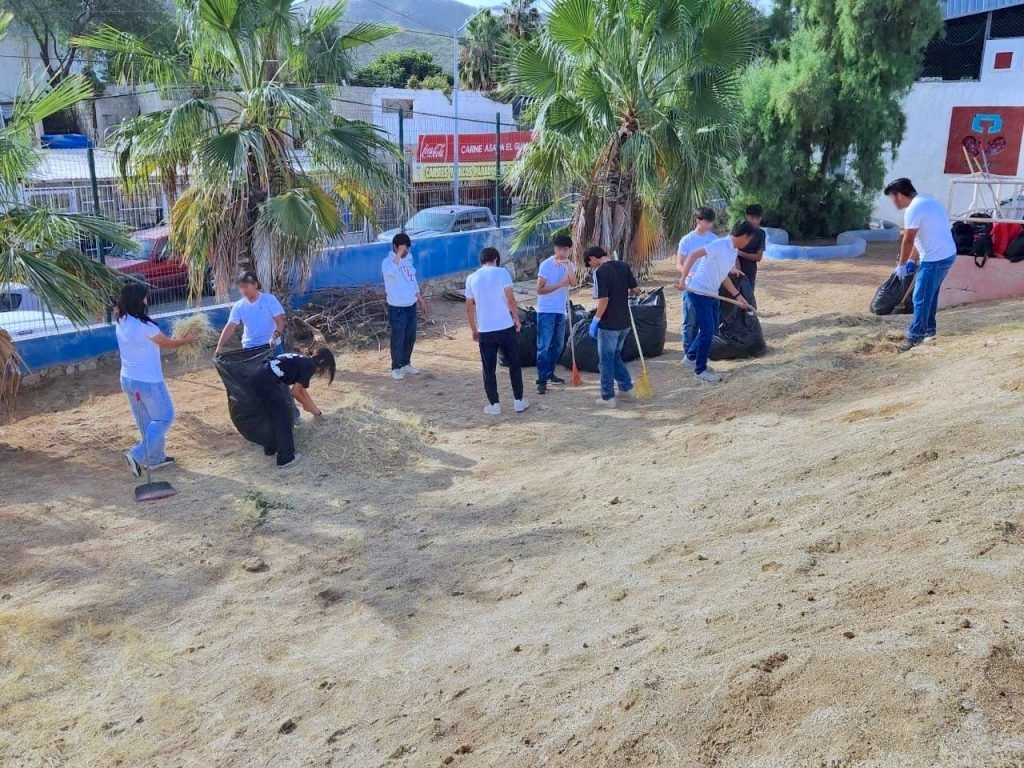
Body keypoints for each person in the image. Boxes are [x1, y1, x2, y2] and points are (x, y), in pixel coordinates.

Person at [114, 282, 197, 477]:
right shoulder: (146, 326)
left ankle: (155, 458)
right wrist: (187, 339)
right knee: (164, 417)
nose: (147, 300)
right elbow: (168, 343)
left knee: (147, 422)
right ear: (139, 301)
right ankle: (137, 455)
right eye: (144, 297)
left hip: (128, 379)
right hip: (149, 382)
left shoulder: (121, 320)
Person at [884, 177, 958, 352]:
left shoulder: (914, 208)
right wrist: (911, 260)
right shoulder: (928, 201)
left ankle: (914, 337)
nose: (893, 202)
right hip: (946, 254)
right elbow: (921, 237)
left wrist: (901, 265)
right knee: (929, 295)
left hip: (935, 259)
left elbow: (908, 240)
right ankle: (929, 331)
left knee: (920, 297)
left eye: (892, 198)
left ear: (900, 195)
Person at [678, 221, 753, 384]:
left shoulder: (733, 250)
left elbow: (723, 276)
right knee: (707, 331)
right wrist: (683, 280)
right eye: (749, 239)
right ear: (744, 236)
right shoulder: (719, 245)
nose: (749, 242)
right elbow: (693, 255)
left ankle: (690, 358)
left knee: (712, 330)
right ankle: (700, 370)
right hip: (699, 292)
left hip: (712, 294)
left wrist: (737, 295)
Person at [465, 247, 529, 416]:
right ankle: (518, 400)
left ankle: (494, 404)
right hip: (505, 326)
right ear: (496, 259)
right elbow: (511, 300)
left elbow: (469, 308)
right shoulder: (502, 273)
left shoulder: (471, 278)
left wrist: (473, 329)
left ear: (481, 261)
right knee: (514, 364)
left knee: (488, 368)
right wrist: (516, 320)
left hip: (485, 329)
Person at [252, 349, 336, 470]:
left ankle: (270, 448)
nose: (321, 372)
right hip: (267, 381)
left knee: (273, 415)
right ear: (322, 363)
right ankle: (286, 458)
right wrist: (306, 405)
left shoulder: (304, 361)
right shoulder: (310, 366)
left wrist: (316, 412)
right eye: (325, 368)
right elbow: (295, 392)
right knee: (284, 418)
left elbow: (302, 391)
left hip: (258, 376)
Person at [585, 246, 640, 408]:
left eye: (589, 263)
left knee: (605, 361)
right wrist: (624, 292)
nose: (591, 267)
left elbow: (604, 300)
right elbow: (636, 290)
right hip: (624, 322)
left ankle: (607, 396)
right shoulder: (623, 266)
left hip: (609, 324)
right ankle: (626, 388)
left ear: (592, 258)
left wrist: (596, 320)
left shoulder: (600, 272)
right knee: (615, 357)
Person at [534, 233, 578, 394]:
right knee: (543, 346)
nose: (562, 253)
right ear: (555, 249)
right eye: (560, 249)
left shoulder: (569, 264)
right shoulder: (546, 265)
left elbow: (574, 282)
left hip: (560, 310)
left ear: (569, 250)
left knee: (558, 345)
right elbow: (539, 289)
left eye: (565, 250)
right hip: (546, 311)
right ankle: (541, 380)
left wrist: (568, 266)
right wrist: (560, 284)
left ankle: (549, 373)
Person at [382, 232, 428, 380]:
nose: (405, 251)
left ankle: (406, 363)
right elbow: (391, 272)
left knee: (410, 336)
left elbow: (412, 282)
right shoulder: (387, 262)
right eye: (402, 248)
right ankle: (396, 367)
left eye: (407, 248)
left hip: (411, 306)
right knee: (398, 338)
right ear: (395, 247)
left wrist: (420, 299)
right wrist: (398, 255)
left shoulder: (408, 261)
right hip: (397, 308)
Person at [676, 207, 719, 365]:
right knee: (690, 321)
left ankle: (697, 353)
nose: (709, 225)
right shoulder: (687, 240)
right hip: (691, 287)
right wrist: (689, 274)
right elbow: (679, 264)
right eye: (706, 221)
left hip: (709, 287)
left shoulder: (714, 239)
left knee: (710, 324)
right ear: (698, 221)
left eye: (711, 222)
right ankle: (688, 354)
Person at [215, 271, 286, 355]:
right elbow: (230, 326)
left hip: (272, 346)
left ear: (255, 285)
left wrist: (274, 336)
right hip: (250, 348)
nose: (243, 290)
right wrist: (219, 346)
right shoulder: (238, 306)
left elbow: (280, 321)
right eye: (241, 287)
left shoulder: (269, 300)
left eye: (246, 286)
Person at [736, 204, 766, 295]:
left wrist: (740, 253)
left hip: (750, 271)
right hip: (734, 269)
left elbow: (758, 257)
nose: (754, 221)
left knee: (748, 297)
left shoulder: (760, 234)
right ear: (746, 217)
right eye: (752, 218)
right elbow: (731, 249)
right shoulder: (738, 228)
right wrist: (737, 266)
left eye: (757, 218)